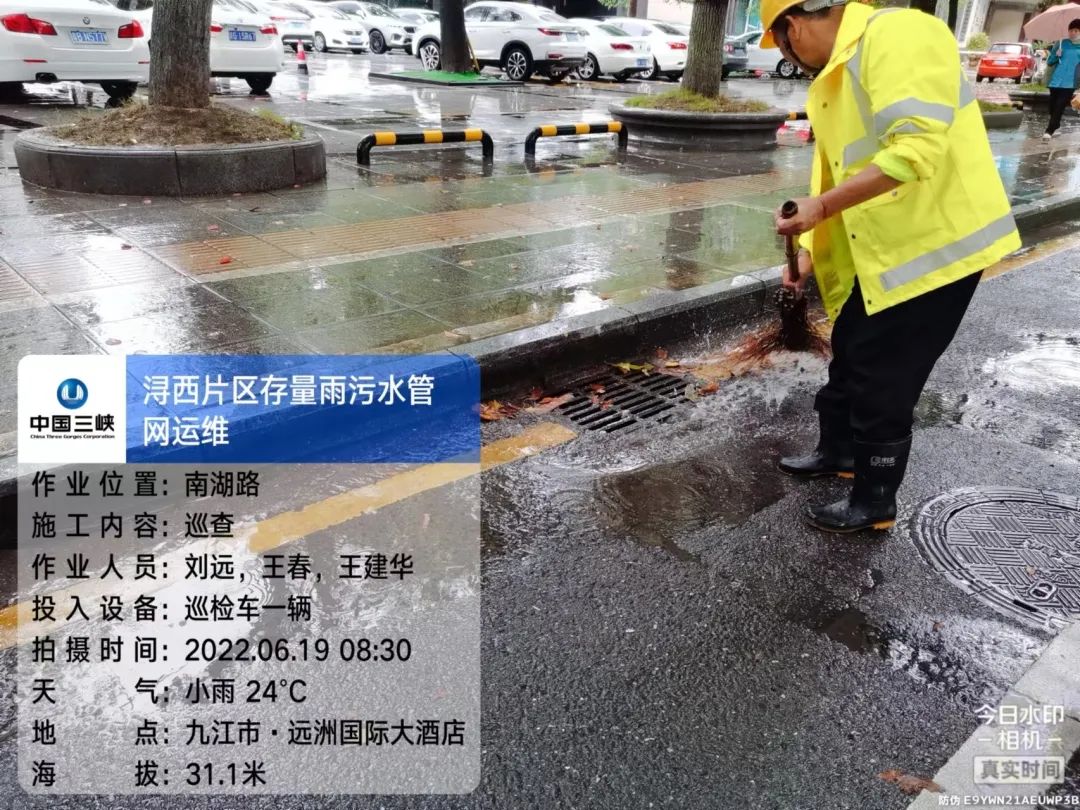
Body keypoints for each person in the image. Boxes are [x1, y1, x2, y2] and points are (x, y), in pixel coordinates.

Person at [758, 0, 1021, 533]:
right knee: (850, 351)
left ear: (794, 26)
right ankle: (839, 453)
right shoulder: (835, 77)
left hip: (933, 245)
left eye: (783, 47)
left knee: (884, 376)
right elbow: (833, 175)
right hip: (880, 247)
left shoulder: (899, 34)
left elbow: (915, 149)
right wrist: (809, 251)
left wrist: (821, 208)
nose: (792, 60)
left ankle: (874, 500)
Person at [1044, 19, 1080, 139]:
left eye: (1076, 30)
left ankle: (1049, 131)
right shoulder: (1061, 43)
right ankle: (1056, 124)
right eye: (1071, 30)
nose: (1073, 33)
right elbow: (1050, 62)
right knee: (1052, 106)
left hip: (1070, 82)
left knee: (1059, 105)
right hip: (1056, 80)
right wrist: (1056, 55)